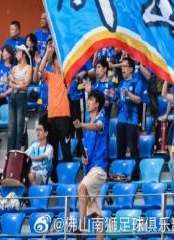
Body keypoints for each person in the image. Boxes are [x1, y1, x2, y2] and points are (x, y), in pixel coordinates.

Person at [34, 40, 72, 181]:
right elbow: (40, 69)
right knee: (53, 150)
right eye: (56, 60)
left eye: (59, 60)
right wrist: (48, 52)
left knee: (66, 149)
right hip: (51, 117)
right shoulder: (49, 76)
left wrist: (58, 51)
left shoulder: (66, 76)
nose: (58, 62)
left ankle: (68, 178)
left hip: (64, 116)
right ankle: (54, 178)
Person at [73, 90, 107, 240]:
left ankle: (81, 226)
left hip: (99, 168)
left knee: (81, 187)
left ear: (97, 104)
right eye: (88, 99)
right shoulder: (88, 123)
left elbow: (98, 127)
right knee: (96, 214)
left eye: (91, 100)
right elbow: (86, 150)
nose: (88, 102)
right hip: (90, 168)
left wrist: (82, 125)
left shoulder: (102, 119)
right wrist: (84, 158)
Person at [110, 57, 142, 161]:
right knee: (120, 150)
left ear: (131, 69)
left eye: (125, 66)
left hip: (132, 121)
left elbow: (138, 100)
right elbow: (118, 103)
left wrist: (129, 94)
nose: (122, 69)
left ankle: (135, 171)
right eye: (122, 66)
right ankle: (120, 171)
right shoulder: (121, 84)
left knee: (133, 150)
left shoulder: (137, 82)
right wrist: (113, 97)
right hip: (120, 120)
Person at [7, 44, 33, 150]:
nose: (16, 54)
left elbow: (26, 84)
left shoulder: (29, 68)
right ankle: (10, 152)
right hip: (13, 96)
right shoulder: (14, 68)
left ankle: (19, 152)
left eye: (18, 52)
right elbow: (10, 83)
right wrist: (19, 84)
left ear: (24, 54)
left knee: (20, 127)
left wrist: (14, 81)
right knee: (11, 128)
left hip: (22, 97)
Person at [25, 121, 53, 185]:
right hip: (32, 172)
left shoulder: (49, 148)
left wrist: (30, 159)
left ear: (46, 133)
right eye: (37, 130)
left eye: (40, 130)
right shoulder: (34, 145)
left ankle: (34, 190)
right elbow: (24, 155)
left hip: (42, 175)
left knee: (31, 175)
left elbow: (42, 158)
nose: (37, 132)